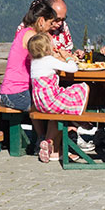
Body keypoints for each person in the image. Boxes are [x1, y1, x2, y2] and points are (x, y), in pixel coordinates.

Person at [0, 0, 59, 150]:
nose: (50, 27)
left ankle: (43, 139)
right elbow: (46, 60)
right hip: (15, 94)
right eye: (49, 23)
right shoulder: (32, 37)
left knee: (43, 100)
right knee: (48, 105)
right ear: (41, 21)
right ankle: (44, 141)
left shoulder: (25, 32)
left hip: (13, 91)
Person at [27, 33, 90, 163]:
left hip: (40, 103)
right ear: (47, 49)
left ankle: (50, 145)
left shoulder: (34, 61)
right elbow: (73, 68)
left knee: (56, 116)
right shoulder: (49, 60)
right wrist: (67, 57)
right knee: (83, 87)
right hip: (51, 102)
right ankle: (78, 119)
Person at [16, 0, 81, 61]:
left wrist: (74, 55)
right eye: (57, 19)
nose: (60, 23)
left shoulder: (63, 27)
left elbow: (67, 52)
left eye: (63, 19)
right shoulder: (28, 30)